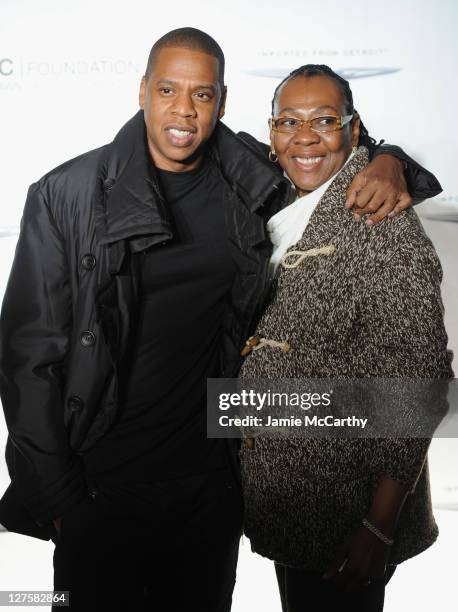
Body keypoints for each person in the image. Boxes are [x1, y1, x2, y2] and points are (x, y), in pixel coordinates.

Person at [0, 27, 442, 612]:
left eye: (202, 95)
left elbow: (321, 146)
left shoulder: (246, 178)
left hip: (211, 496)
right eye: (167, 90)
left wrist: (389, 161)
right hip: (102, 494)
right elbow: (28, 360)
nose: (184, 109)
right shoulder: (68, 194)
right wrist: (62, 502)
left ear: (222, 102)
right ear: (141, 92)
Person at [238, 64, 453, 612]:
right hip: (289, 501)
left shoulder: (384, 219)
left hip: (349, 512)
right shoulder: (273, 192)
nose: (305, 137)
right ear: (270, 131)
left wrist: (378, 528)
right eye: (289, 121)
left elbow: (418, 386)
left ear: (354, 130)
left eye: (324, 121)